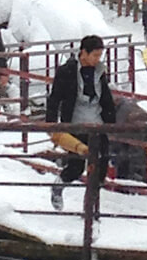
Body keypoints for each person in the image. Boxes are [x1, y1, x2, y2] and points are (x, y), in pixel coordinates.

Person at [46, 35, 117, 211]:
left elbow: (106, 98)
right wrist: (52, 124)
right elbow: (55, 98)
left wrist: (111, 120)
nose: (97, 59)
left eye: (99, 56)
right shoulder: (67, 71)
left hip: (97, 124)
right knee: (76, 166)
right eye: (94, 55)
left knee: (101, 167)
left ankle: (91, 207)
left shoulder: (100, 72)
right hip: (76, 124)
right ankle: (59, 186)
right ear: (83, 53)